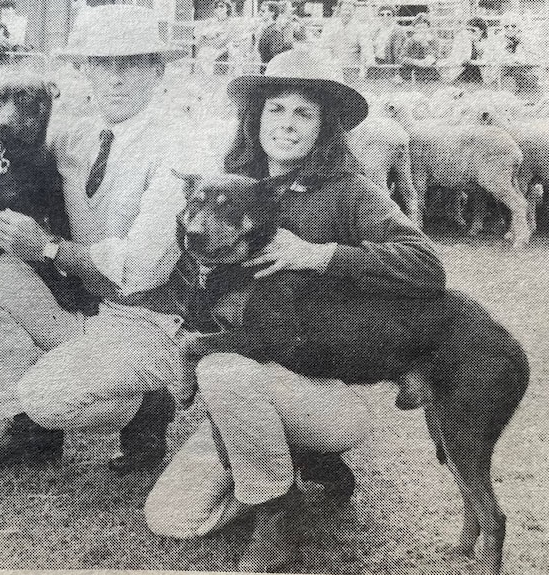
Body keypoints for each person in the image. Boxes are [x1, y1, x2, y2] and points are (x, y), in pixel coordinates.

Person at [143, 49, 446, 572]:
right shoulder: (229, 189)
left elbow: (427, 267)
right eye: (274, 109)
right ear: (254, 119)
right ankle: (293, 462)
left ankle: (276, 510)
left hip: (329, 395)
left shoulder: (354, 193)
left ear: (325, 126)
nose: (285, 124)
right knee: (172, 518)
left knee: (218, 364)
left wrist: (320, 254)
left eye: (303, 113)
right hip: (248, 392)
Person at [0, 5, 211, 474]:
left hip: (148, 319)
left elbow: (142, 268)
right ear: (86, 71)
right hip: (87, 309)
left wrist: (47, 248)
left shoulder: (178, 144)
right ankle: (29, 435)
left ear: (157, 71)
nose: (116, 79)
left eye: (132, 64)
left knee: (46, 399)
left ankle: (146, 409)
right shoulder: (80, 132)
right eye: (103, 65)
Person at [483, 12, 540, 94]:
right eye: (506, 26)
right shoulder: (497, 40)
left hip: (525, 75)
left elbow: (534, 59)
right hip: (504, 76)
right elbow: (493, 59)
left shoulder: (527, 40)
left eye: (513, 26)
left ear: (519, 27)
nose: (510, 29)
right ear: (502, 27)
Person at [320, 0, 371, 79]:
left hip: (352, 69)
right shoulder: (331, 25)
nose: (347, 13)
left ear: (354, 11)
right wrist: (328, 63)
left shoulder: (360, 27)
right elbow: (324, 46)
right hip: (334, 67)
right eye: (345, 10)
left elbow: (366, 47)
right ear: (339, 10)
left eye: (350, 10)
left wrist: (368, 64)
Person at [439, 16, 488, 83]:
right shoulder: (462, 39)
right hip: (462, 73)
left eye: (473, 30)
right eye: (468, 30)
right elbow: (456, 58)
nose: (470, 32)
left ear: (481, 31)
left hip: (481, 75)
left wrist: (478, 46)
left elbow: (488, 60)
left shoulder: (486, 41)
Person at [194, 0, 234, 75]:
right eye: (216, 7)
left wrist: (208, 38)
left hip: (223, 49)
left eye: (222, 6)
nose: (218, 9)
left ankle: (209, 78)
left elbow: (222, 41)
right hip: (208, 48)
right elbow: (199, 38)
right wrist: (212, 36)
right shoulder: (210, 22)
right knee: (202, 54)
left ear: (228, 8)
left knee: (205, 54)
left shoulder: (230, 23)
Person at [397, 12, 439, 82]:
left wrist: (425, 45)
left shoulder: (433, 40)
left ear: (428, 28)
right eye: (418, 28)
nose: (421, 30)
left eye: (424, 27)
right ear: (415, 29)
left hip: (429, 74)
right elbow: (402, 58)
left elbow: (436, 57)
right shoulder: (410, 40)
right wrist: (416, 62)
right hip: (411, 72)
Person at [256, 1, 288, 69]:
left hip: (270, 73)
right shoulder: (267, 30)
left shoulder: (275, 32)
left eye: (263, 11)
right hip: (264, 71)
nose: (260, 13)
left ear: (272, 13)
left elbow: (276, 58)